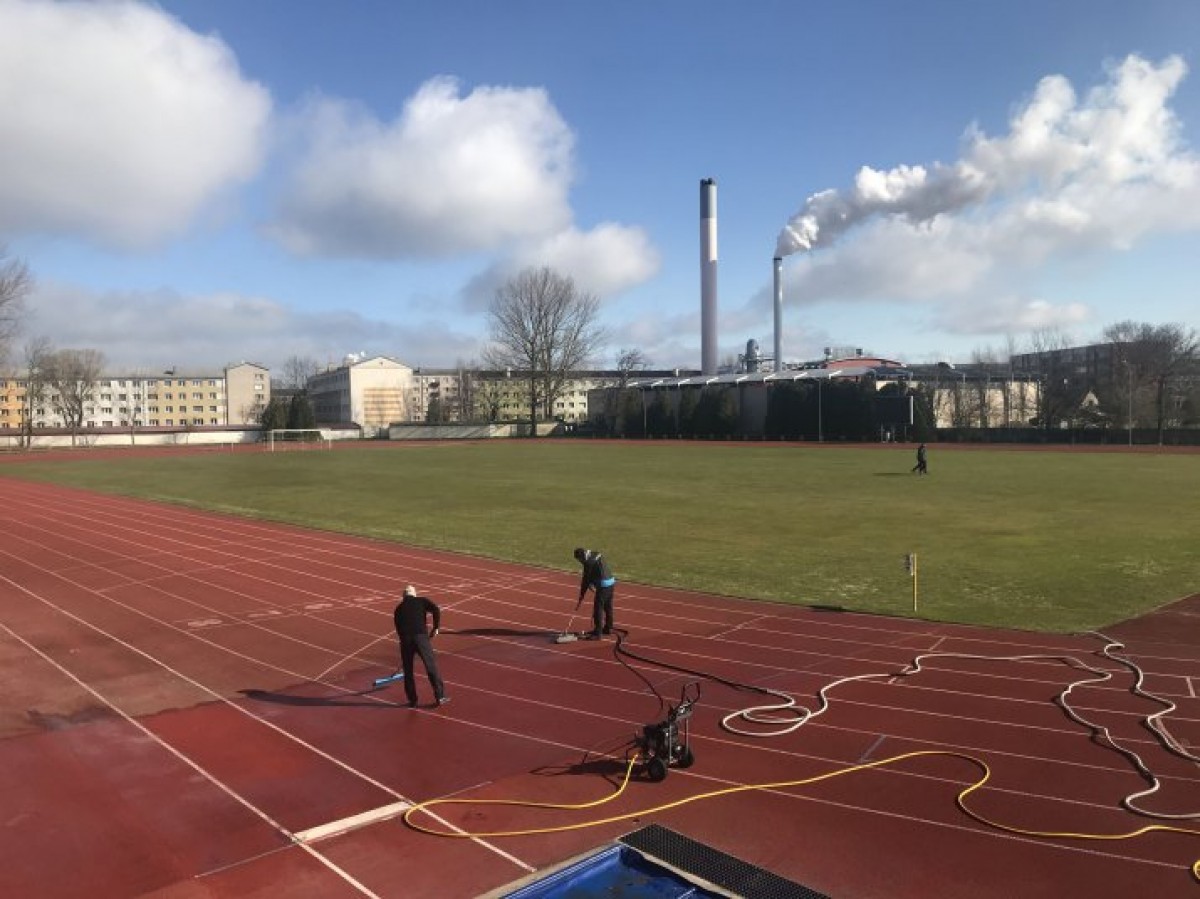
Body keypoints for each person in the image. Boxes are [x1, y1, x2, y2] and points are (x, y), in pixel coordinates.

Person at [393, 585, 448, 708]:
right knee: (430, 665)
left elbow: (398, 627)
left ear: (403, 597)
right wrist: (436, 627)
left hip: (405, 639)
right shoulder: (421, 601)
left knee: (408, 670)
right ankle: (440, 696)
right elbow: (436, 609)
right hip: (421, 637)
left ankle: (412, 700)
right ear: (414, 594)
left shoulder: (398, 609)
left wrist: (403, 642)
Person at [574, 547, 616, 638]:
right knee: (608, 606)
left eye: (579, 560)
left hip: (603, 585)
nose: (580, 562)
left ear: (581, 557)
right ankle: (609, 628)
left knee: (598, 608)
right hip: (611, 582)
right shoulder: (595, 554)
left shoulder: (588, 563)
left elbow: (585, 580)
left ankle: (598, 632)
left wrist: (582, 595)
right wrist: (591, 583)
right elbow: (595, 571)